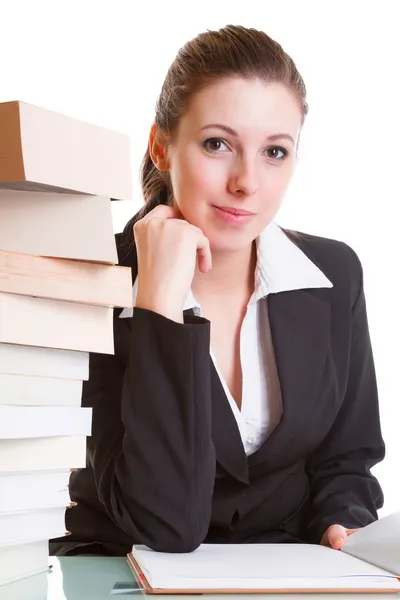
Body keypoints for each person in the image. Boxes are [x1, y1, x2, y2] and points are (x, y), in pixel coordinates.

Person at [50, 24, 385, 557]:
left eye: (274, 152)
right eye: (217, 144)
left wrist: (339, 525)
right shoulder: (92, 280)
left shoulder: (333, 274)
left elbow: (346, 460)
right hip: (124, 575)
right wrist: (157, 302)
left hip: (288, 579)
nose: (246, 182)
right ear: (162, 146)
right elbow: (163, 522)